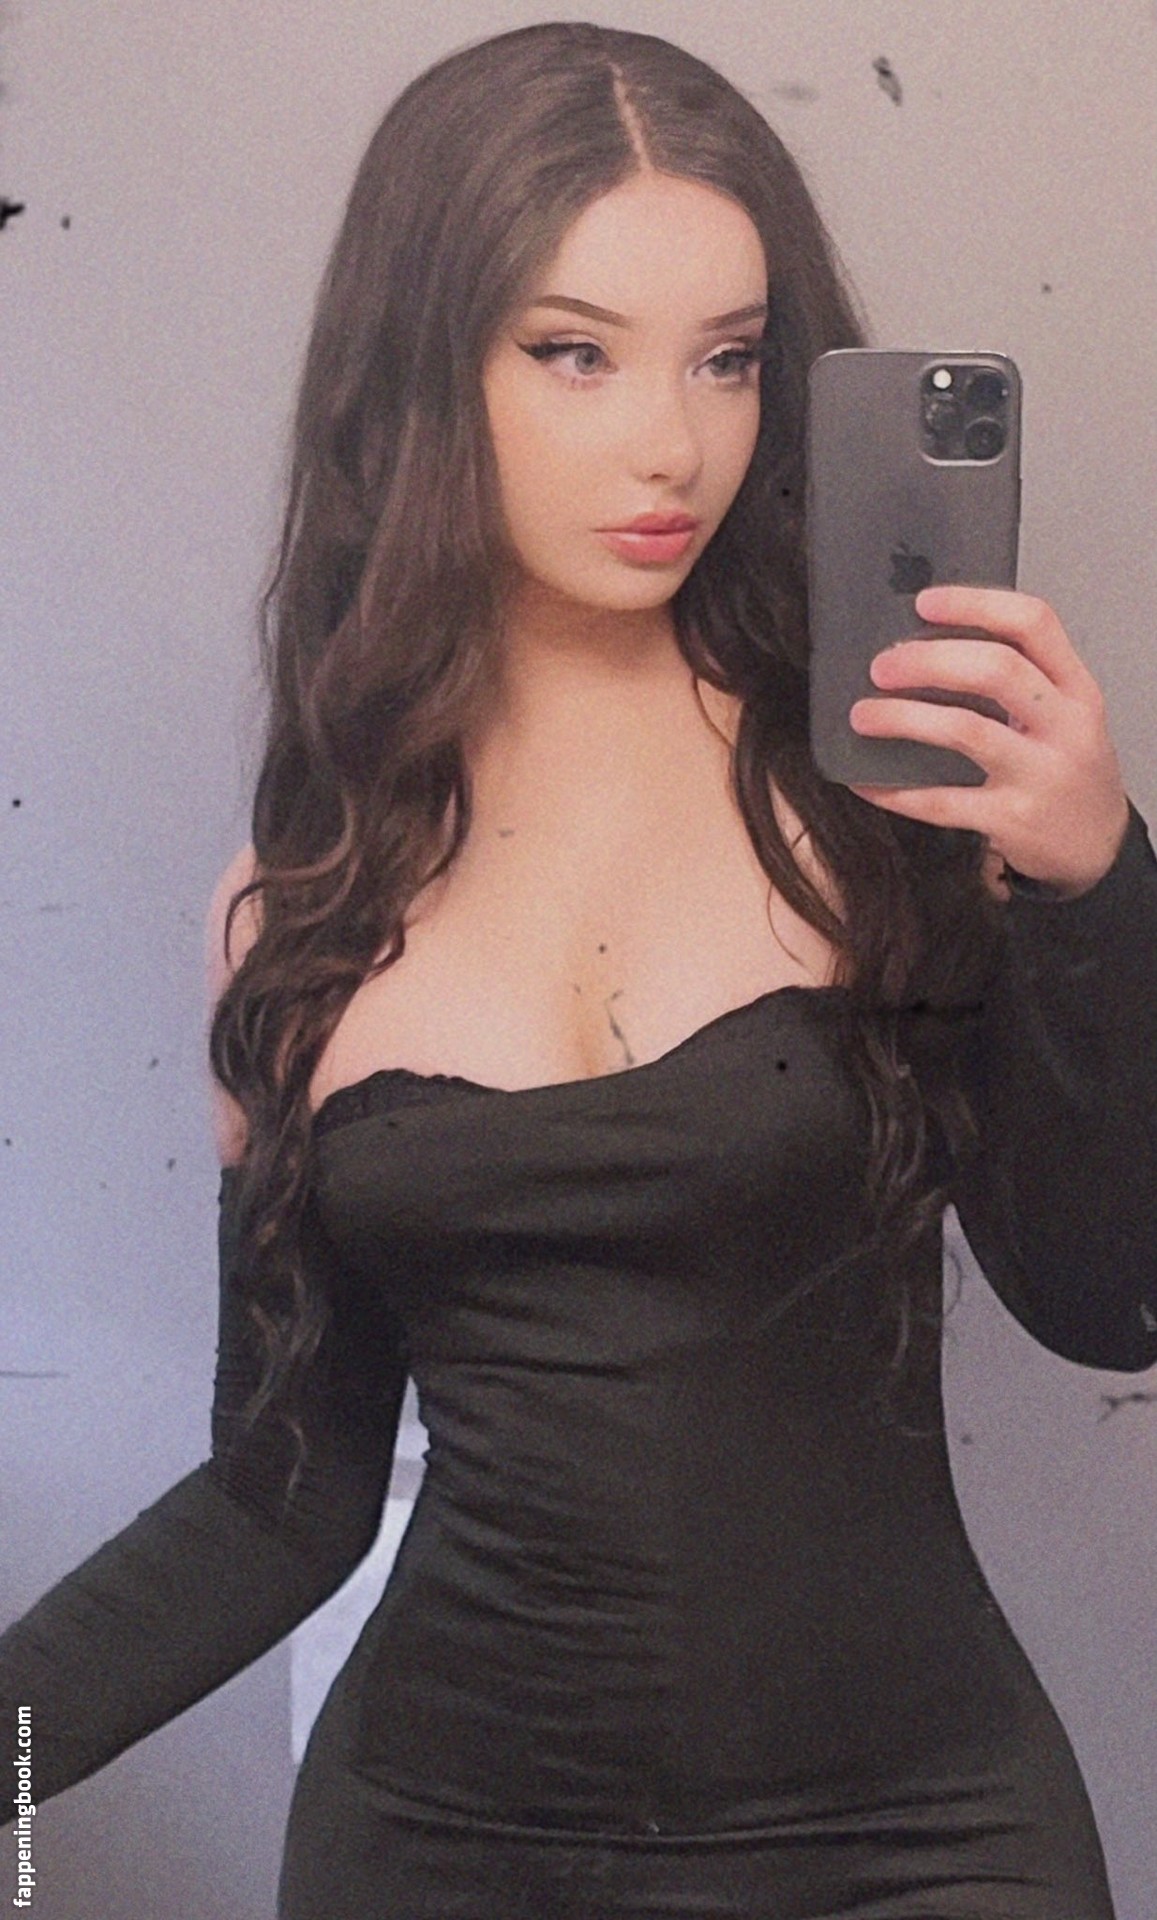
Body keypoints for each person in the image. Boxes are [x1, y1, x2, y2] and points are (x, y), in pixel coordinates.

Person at [2, 21, 1155, 1919]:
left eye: (726, 358)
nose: (670, 444)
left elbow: (1112, 1306)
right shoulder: (298, 909)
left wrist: (1097, 886)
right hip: (442, 1845)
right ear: (419, 373)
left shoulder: (891, 797)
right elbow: (278, 1502)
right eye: (573, 351)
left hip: (920, 1837)